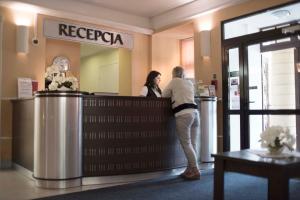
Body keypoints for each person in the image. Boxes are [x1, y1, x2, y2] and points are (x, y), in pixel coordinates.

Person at [162, 66, 200, 180]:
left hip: (184, 114)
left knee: (186, 144)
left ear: (173, 74)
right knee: (192, 144)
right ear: (183, 74)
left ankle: (195, 169)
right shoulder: (189, 82)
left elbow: (164, 95)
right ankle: (189, 169)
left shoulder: (174, 81)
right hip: (195, 114)